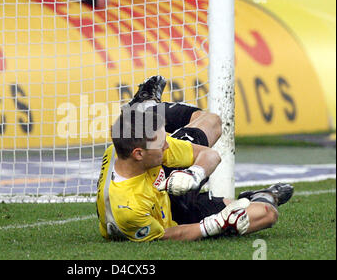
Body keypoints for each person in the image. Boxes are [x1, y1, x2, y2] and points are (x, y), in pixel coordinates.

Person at [96, 76, 294, 242]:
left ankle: (143, 108)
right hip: (174, 216)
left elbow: (209, 155)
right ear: (138, 153)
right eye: (161, 143)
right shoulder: (128, 209)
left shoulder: (136, 149)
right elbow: (168, 236)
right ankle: (260, 195)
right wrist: (217, 223)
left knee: (212, 121)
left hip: (164, 180)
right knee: (266, 213)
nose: (167, 145)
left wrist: (193, 174)